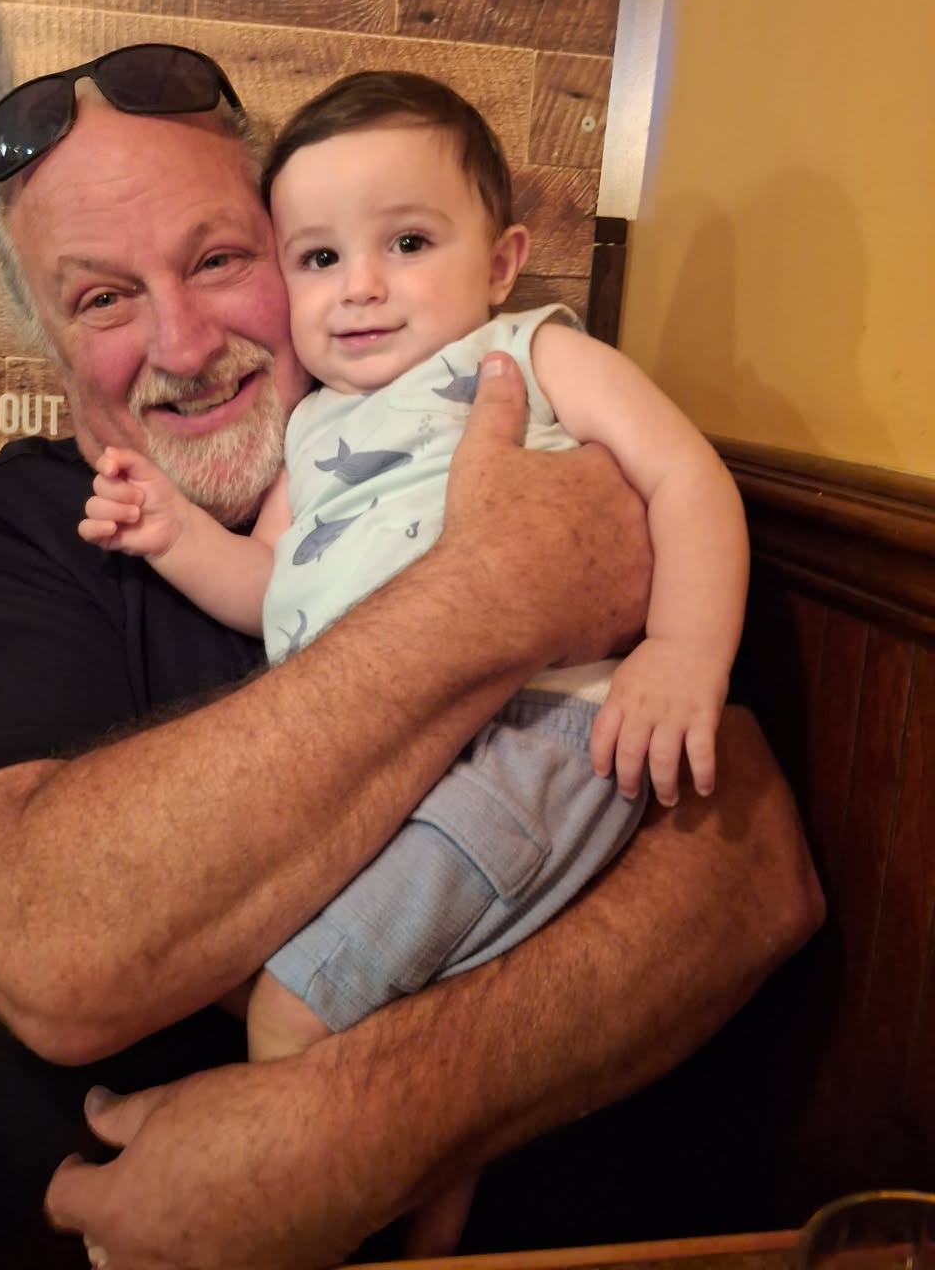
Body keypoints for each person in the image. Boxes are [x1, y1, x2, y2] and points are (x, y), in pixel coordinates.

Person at [0, 42, 823, 1270]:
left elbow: (754, 862)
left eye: (219, 261)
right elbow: (60, 955)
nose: (183, 343)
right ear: (50, 341)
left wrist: (371, 1127)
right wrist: (501, 587)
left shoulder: (526, 413)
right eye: (102, 298)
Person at [78, 70, 749, 1254]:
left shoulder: (528, 352)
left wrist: (687, 652)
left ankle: (309, 1216)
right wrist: (172, 534)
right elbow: (268, 586)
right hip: (401, 769)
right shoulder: (312, 428)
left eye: (406, 242)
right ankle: (425, 1224)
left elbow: (686, 475)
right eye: (319, 258)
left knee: (292, 1013)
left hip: (536, 741)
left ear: (500, 262)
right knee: (347, 996)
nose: (361, 286)